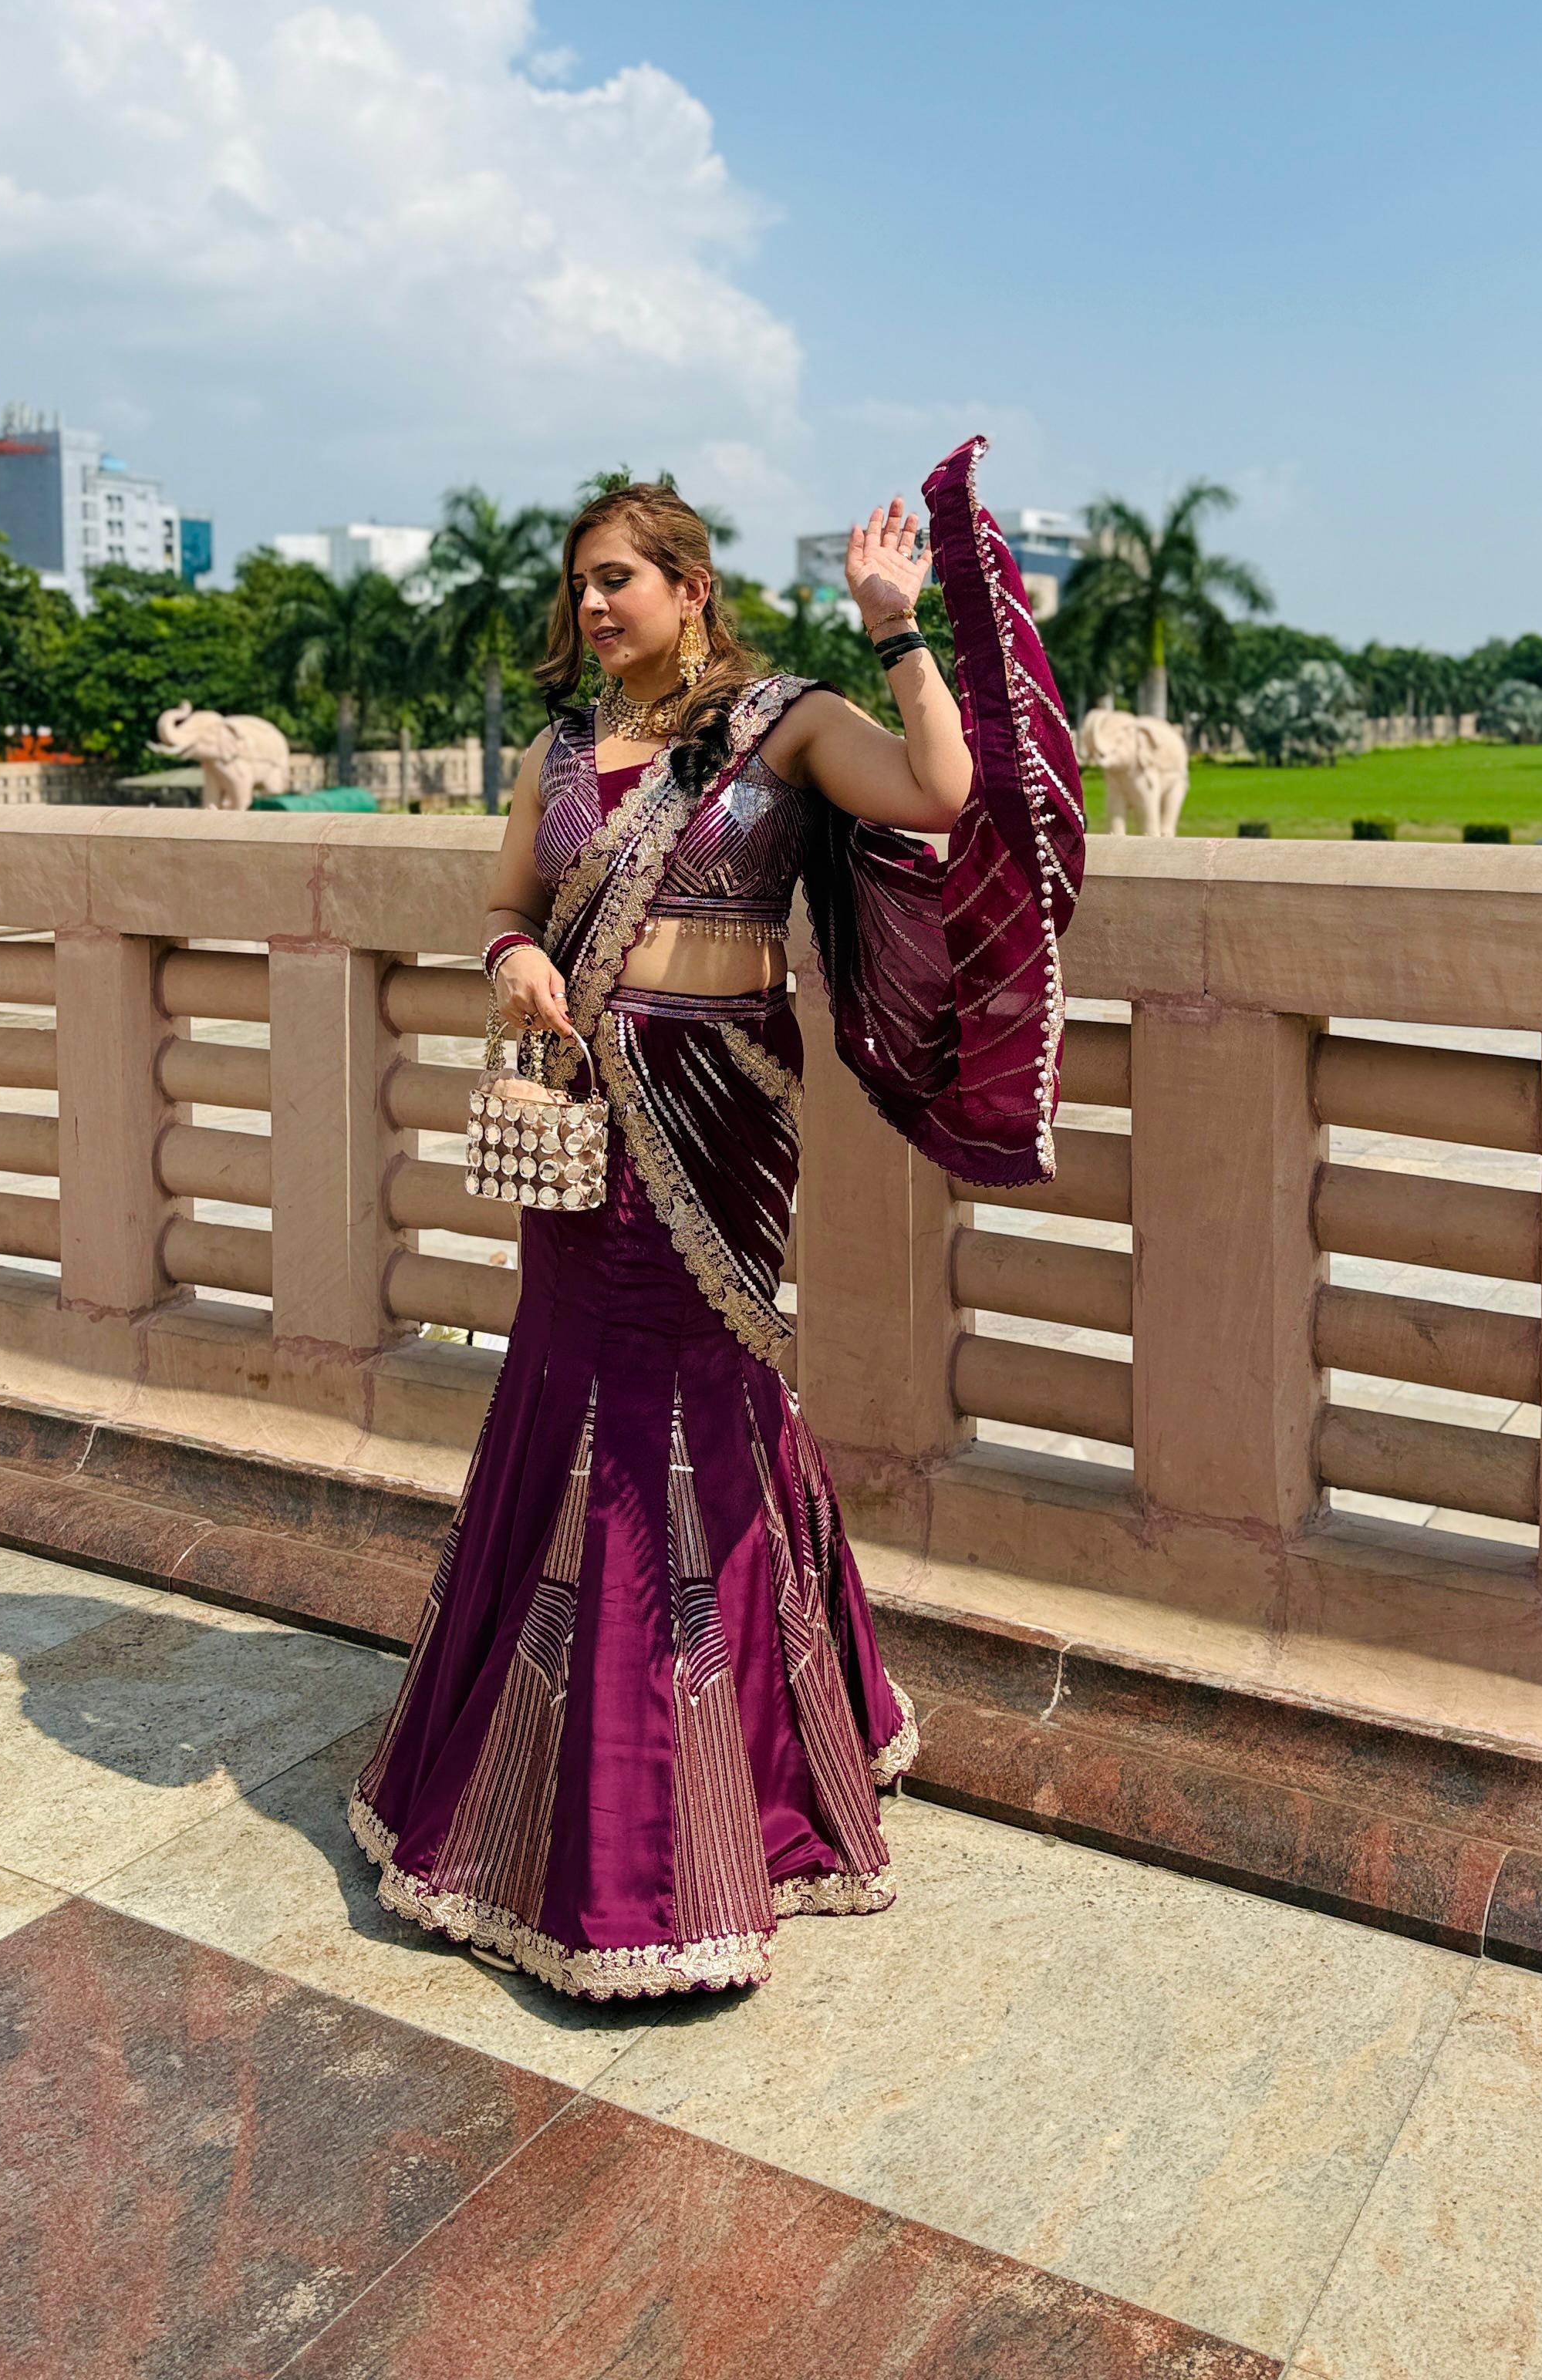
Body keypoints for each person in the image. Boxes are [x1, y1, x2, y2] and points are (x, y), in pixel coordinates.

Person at [351, 437, 1085, 2000]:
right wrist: (513, 964)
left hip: (722, 1115)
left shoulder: (786, 724)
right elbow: (498, 905)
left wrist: (894, 623)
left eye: (617, 579)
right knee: (574, 1396)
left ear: (693, 591)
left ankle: (728, 1773)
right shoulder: (557, 753)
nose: (592, 604)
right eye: (579, 585)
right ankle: (559, 1792)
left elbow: (947, 793)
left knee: (698, 1398)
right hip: (584, 1116)